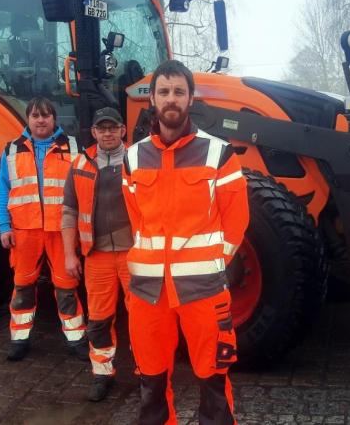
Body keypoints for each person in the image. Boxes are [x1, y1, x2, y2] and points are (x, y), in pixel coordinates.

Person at [122, 60, 249, 425]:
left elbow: (236, 220)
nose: (171, 99)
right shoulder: (133, 157)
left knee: (213, 379)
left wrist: (213, 264)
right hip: (148, 293)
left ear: (191, 98)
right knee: (150, 380)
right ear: (152, 99)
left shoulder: (219, 154)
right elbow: (136, 219)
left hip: (203, 291)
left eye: (179, 91)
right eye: (164, 92)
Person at [0, 97, 88, 362]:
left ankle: (76, 339)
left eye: (46, 115)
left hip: (61, 230)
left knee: (67, 285)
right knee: (23, 285)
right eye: (35, 115)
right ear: (28, 119)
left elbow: (84, 190)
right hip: (25, 229)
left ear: (54, 119)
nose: (41, 120)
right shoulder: (11, 150)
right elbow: (3, 190)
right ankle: (19, 339)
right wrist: (4, 226)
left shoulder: (73, 147)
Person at [62, 107, 133, 402]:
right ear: (93, 132)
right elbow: (69, 211)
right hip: (97, 256)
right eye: (102, 129)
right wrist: (69, 255)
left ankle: (149, 374)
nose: (107, 133)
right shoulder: (79, 163)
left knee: (143, 317)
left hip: (134, 254)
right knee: (99, 320)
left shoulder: (138, 160)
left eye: (112, 128)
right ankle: (102, 374)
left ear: (123, 130)